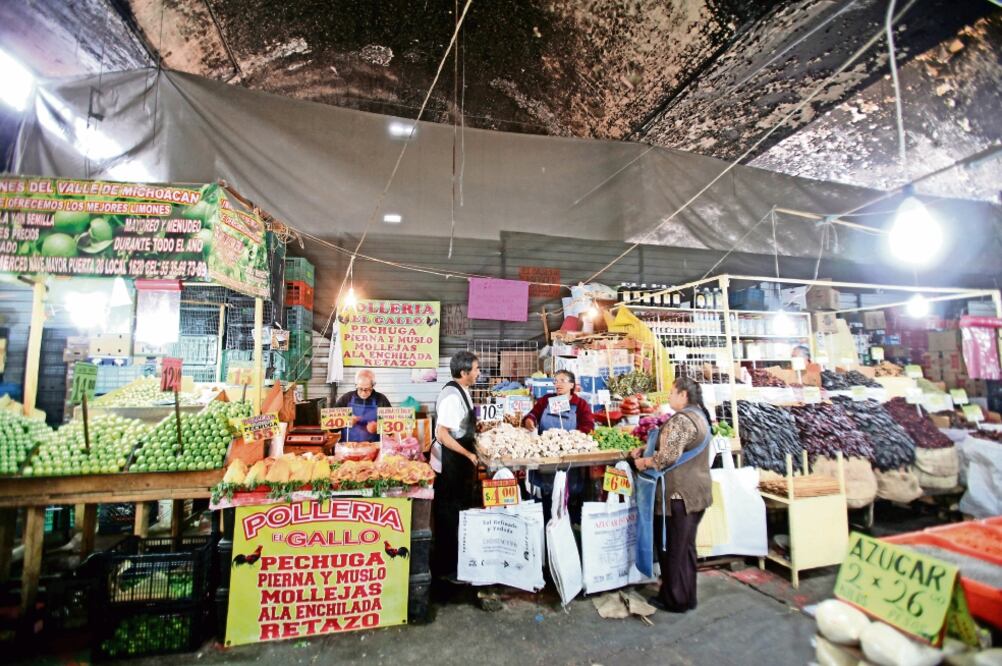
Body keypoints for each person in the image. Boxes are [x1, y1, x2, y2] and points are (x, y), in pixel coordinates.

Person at [631, 376, 713, 613]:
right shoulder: (701, 416)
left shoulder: (682, 420)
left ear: (683, 395)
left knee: (672, 549)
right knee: (685, 548)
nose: (668, 397)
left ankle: (674, 599)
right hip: (696, 494)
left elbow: (668, 457)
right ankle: (687, 596)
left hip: (678, 496)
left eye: (671, 393)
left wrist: (645, 461)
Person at [431, 351, 480, 579]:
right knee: (449, 514)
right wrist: (468, 455)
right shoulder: (452, 396)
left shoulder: (463, 391)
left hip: (457, 460)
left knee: (457, 511)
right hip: (450, 461)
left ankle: (456, 561)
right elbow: (443, 435)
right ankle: (446, 569)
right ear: (464, 372)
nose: (479, 373)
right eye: (476, 369)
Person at [522, 370, 594, 523]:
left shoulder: (580, 404)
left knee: (570, 493)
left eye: (562, 380)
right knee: (546, 495)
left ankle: (570, 525)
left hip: (570, 459)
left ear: (572, 385)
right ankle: (548, 524)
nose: (558, 384)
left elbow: (588, 426)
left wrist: (572, 439)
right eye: (556, 381)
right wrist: (529, 420)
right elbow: (532, 415)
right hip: (546, 456)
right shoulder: (546, 400)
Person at [333, 369, 391, 443]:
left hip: (374, 446)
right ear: (356, 385)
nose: (363, 393)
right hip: (348, 446)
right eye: (360, 389)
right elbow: (332, 428)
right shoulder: (346, 398)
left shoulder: (381, 399)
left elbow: (391, 429)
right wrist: (345, 421)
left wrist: (378, 427)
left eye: (367, 389)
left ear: (373, 385)